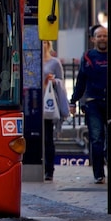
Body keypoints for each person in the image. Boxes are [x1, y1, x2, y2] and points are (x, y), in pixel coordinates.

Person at [70, 25, 111, 184]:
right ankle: (99, 173)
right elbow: (81, 82)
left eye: (105, 36)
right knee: (96, 138)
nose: (102, 39)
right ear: (93, 39)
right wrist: (73, 101)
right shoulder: (88, 57)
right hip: (93, 104)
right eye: (99, 36)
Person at [42, 40, 67, 181]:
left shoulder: (54, 62)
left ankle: (49, 169)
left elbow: (61, 82)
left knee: (48, 137)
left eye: (45, 42)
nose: (43, 44)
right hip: (32, 103)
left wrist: (53, 81)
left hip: (48, 103)